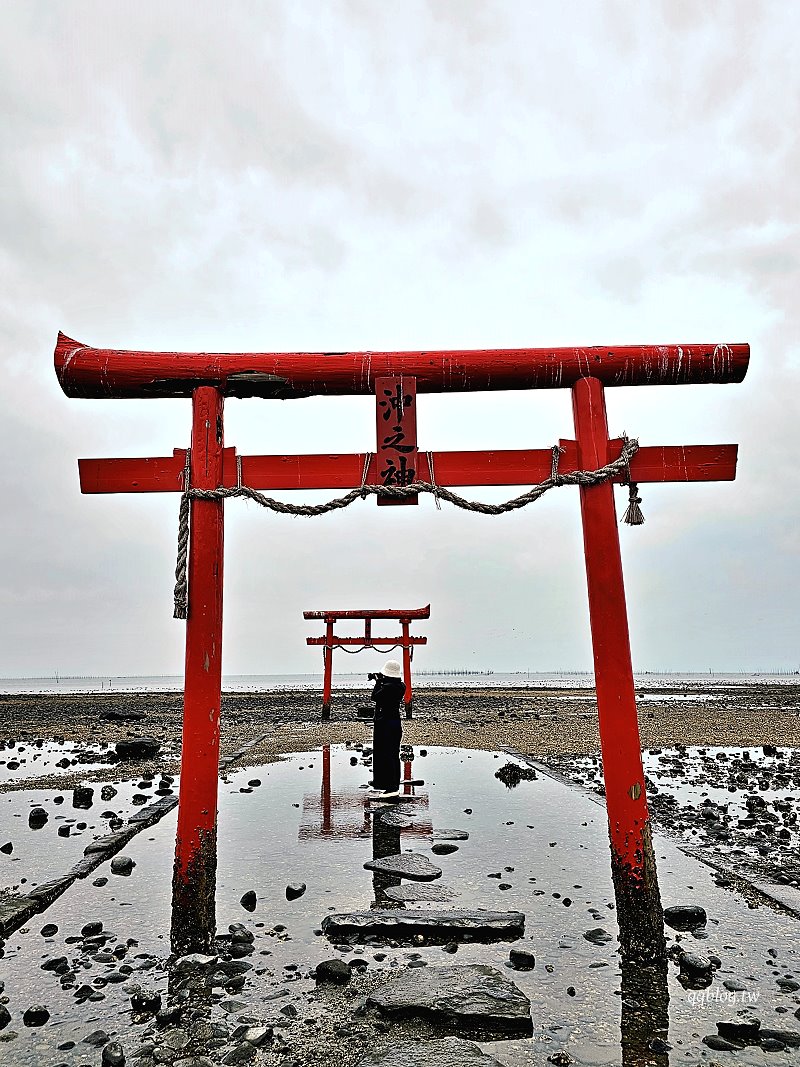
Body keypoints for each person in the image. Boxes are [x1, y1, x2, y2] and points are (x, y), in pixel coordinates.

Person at [368, 660, 405, 798]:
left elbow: (375, 696)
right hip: (394, 723)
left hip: (385, 723)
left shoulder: (388, 687)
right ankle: (384, 782)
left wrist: (378, 681)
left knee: (387, 755)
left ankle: (392, 788)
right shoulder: (401, 686)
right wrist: (381, 680)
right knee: (391, 754)